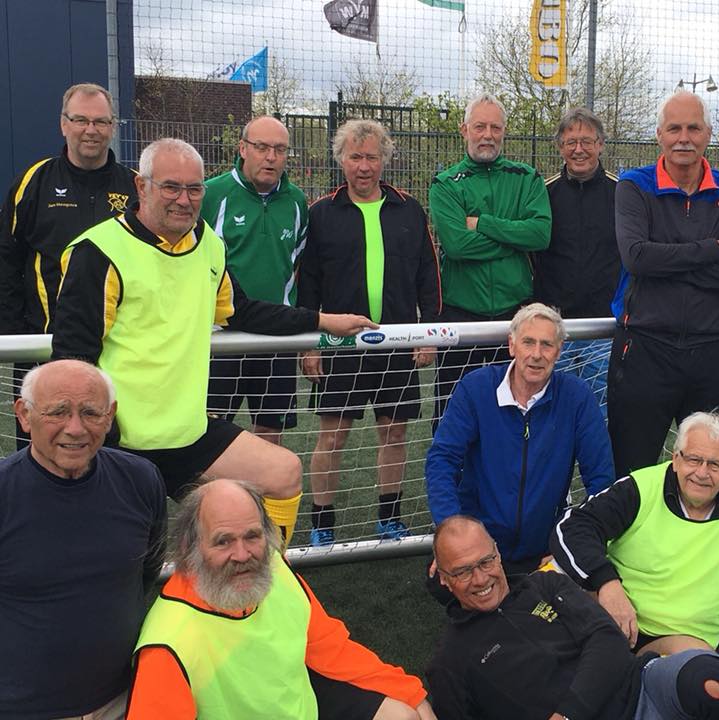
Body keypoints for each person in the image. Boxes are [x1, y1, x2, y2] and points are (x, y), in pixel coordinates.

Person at [51, 137, 372, 547]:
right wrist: (102, 441)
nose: (184, 200)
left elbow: (242, 312)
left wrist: (322, 320)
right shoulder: (98, 251)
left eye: (194, 189)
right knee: (134, 555)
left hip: (189, 433)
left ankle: (266, 575)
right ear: (142, 186)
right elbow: (72, 362)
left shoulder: (207, 244)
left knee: (283, 472)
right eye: (171, 187)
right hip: (119, 444)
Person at [126, 478, 435, 720]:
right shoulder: (168, 646)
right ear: (189, 547)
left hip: (305, 706)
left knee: (404, 715)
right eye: (223, 541)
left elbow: (332, 648)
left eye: (252, 536)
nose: (242, 555)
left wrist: (413, 695)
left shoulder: (275, 569)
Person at [550, 411, 719, 680]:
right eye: (693, 459)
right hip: (611, 615)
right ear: (676, 459)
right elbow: (574, 527)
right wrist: (607, 584)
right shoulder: (640, 487)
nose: (701, 473)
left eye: (715, 464)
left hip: (681, 640)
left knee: (707, 688)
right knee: (544, 658)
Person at [428, 515, 719, 720]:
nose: (481, 579)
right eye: (463, 571)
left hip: (640, 690)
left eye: (486, 561)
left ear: (498, 553)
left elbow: (608, 640)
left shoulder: (545, 585)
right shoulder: (449, 662)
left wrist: (568, 714)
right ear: (443, 578)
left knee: (709, 677)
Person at [299, 119, 441, 545]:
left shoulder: (408, 209)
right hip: (339, 345)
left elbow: (429, 276)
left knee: (394, 432)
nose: (364, 166)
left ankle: (389, 518)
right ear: (341, 159)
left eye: (372, 157)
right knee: (332, 436)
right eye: (355, 156)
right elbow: (307, 285)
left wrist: (428, 333)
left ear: (385, 160)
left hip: (396, 345)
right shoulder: (321, 213)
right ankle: (322, 525)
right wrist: (309, 344)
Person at [0, 360, 166, 719]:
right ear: (24, 415)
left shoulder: (141, 479)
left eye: (90, 413)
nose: (75, 428)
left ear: (110, 416)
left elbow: (148, 569)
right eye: (58, 412)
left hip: (126, 699)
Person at [608, 89, 719, 477]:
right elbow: (637, 258)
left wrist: (665, 262)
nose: (683, 138)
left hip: (711, 352)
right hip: (643, 350)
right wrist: (712, 249)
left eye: (693, 128)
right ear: (659, 134)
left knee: (711, 472)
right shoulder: (633, 185)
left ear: (708, 133)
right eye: (674, 129)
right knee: (633, 473)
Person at [426, 303, 614, 574]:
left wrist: (569, 541)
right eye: (528, 342)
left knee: (563, 591)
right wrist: (453, 530)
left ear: (559, 351)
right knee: (440, 584)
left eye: (546, 345)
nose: (536, 354)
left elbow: (601, 478)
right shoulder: (476, 387)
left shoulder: (576, 396)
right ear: (512, 345)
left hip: (544, 549)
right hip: (479, 547)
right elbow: (441, 460)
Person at [0, 83, 137, 448]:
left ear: (112, 126)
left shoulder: (133, 188)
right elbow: (7, 258)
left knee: (114, 450)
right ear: (64, 124)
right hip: (43, 349)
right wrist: (17, 335)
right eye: (80, 120)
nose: (91, 130)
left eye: (100, 121)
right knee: (41, 452)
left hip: (117, 352)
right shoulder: (33, 182)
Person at [429, 92, 551, 429]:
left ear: (504, 131)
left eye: (495, 128)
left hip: (515, 317)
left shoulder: (527, 178)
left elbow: (540, 235)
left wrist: (483, 223)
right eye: (480, 126)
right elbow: (457, 245)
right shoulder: (445, 184)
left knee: (515, 415)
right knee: (453, 417)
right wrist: (513, 240)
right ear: (464, 130)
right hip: (461, 317)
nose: (487, 135)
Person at [202, 115, 308, 445]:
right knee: (210, 433)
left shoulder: (297, 202)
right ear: (243, 149)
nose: (271, 157)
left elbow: (296, 263)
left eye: (280, 149)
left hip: (276, 337)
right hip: (220, 337)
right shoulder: (211, 194)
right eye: (261, 147)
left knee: (270, 433)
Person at [535, 107, 620, 412]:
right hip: (555, 327)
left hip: (604, 328)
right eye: (571, 142)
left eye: (587, 141)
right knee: (554, 411)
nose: (579, 149)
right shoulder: (543, 194)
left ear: (601, 145)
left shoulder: (622, 193)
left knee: (602, 412)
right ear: (560, 147)